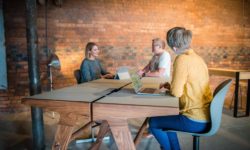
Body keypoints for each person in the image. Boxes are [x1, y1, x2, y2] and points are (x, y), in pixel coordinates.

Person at [149, 27, 213, 150]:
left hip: (194, 119)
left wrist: (172, 88)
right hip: (206, 115)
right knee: (167, 117)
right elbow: (189, 85)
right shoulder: (198, 59)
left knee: (153, 122)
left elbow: (176, 93)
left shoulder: (182, 59)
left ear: (174, 48)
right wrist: (171, 86)